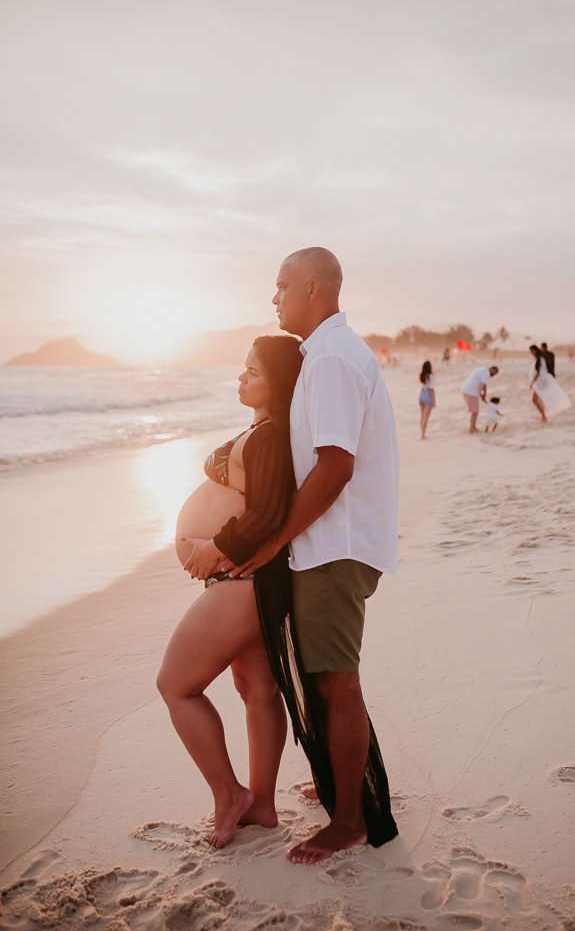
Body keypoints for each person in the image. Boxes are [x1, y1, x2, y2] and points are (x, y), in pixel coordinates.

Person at [227, 247, 399, 864]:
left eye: (280, 287)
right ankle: (339, 783)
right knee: (327, 675)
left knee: (335, 681)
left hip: (336, 544)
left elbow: (335, 467)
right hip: (337, 540)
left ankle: (350, 820)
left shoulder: (328, 358)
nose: (273, 298)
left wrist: (275, 539)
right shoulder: (329, 353)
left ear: (312, 288)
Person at [156, 335, 302, 849]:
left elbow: (266, 513)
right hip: (247, 579)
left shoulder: (269, 437)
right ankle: (261, 805)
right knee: (257, 692)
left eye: (252, 372)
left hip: (242, 579)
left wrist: (215, 547)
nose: (241, 378)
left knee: (175, 686)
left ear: (277, 383)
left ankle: (228, 795)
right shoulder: (266, 432)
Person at [529, 345, 571, 423]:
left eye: (532, 351)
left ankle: (544, 416)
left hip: (540, 381)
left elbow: (538, 372)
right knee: (537, 399)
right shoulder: (537, 358)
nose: (531, 352)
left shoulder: (540, 359)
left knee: (534, 399)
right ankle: (543, 415)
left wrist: (532, 382)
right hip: (539, 381)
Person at [460, 365, 499, 433]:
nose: (493, 375)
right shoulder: (486, 373)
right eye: (494, 373)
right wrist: (484, 395)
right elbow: (483, 386)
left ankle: (473, 428)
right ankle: (471, 430)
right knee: (474, 412)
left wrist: (481, 395)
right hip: (470, 392)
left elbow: (478, 384)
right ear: (493, 370)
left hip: (468, 390)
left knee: (474, 411)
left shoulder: (483, 370)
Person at [418, 360, 436, 439]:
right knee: (426, 417)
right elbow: (432, 389)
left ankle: (422, 433)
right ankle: (423, 435)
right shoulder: (431, 376)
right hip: (428, 394)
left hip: (422, 394)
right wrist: (434, 401)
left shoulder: (422, 375)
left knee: (422, 416)